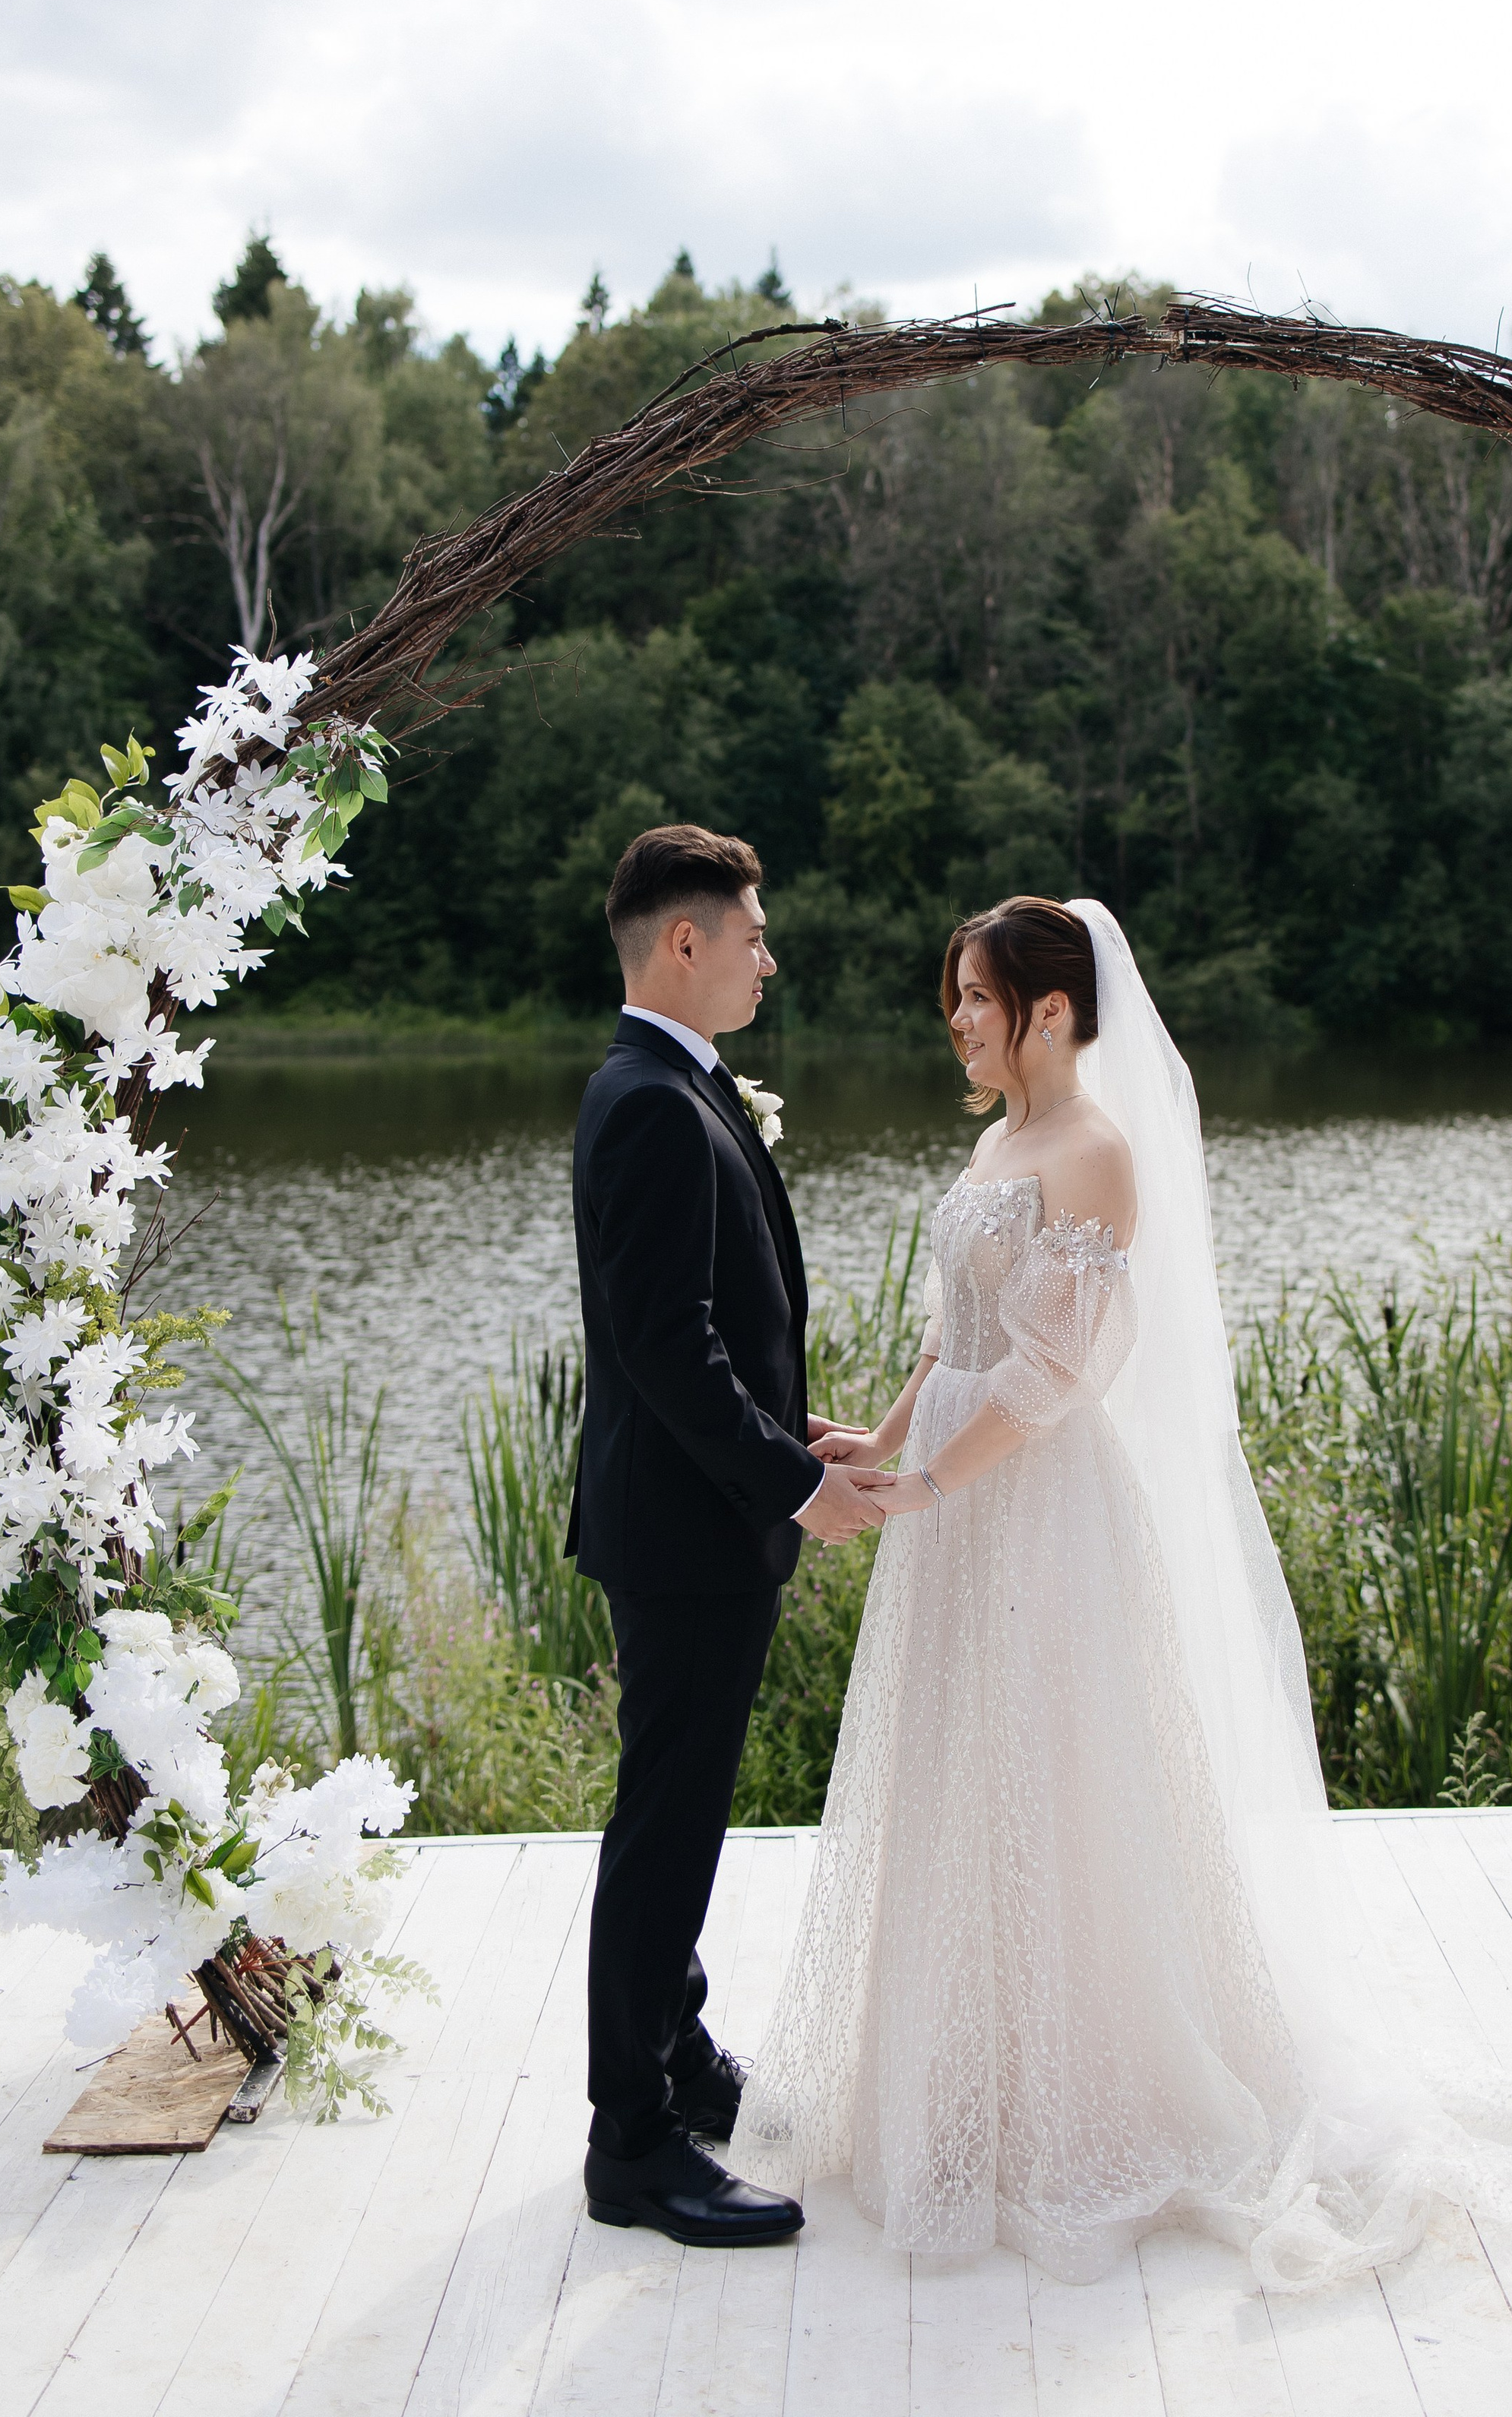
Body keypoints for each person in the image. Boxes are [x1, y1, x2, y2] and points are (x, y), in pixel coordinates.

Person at [730, 894, 1512, 2289]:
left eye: (977, 998)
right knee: (954, 1771)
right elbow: (957, 1333)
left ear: (1052, 1010)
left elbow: (1059, 1376)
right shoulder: (1002, 1136)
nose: (957, 1019)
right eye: (956, 996)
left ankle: (1093, 2092)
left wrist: (932, 1488)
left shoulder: (1096, 1154)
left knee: (1055, 1777)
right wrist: (882, 1441)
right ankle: (960, 2073)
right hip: (952, 1498)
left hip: (1039, 1511)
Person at [568, 824, 875, 2249]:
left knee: (681, 1812)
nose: (769, 954)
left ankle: (679, 2062)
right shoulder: (645, 1099)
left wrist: (786, 1435)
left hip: (705, 1515)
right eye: (751, 933)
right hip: (687, 1533)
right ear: (681, 943)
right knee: (666, 1825)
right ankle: (630, 2143)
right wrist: (788, 1486)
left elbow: (712, 1329)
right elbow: (664, 1348)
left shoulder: (678, 1084)